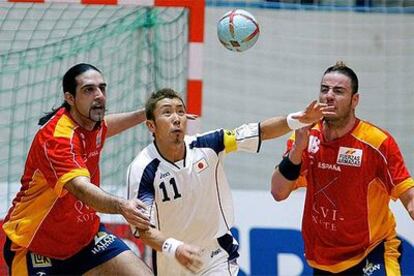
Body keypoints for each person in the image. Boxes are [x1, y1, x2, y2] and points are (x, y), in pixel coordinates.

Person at [126, 88, 334, 275]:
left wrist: (297, 120)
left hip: (215, 255)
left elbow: (260, 131)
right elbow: (143, 229)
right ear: (151, 125)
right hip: (170, 261)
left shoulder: (210, 144)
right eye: (167, 112)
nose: (176, 118)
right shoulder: (143, 169)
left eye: (180, 111)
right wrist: (175, 247)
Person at [2, 63, 154, 275]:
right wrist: (122, 206)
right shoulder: (58, 138)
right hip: (36, 244)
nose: (99, 95)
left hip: (86, 239)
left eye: (102, 88)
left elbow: (107, 127)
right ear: (70, 98)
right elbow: (81, 189)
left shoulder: (92, 124)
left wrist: (145, 114)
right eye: (89, 89)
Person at [271, 61, 414, 275]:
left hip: (372, 251)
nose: (329, 96)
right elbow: (278, 192)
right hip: (323, 260)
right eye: (324, 89)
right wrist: (298, 148)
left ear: (354, 100)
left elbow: (409, 197)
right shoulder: (306, 137)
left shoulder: (377, 143)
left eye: (338, 91)